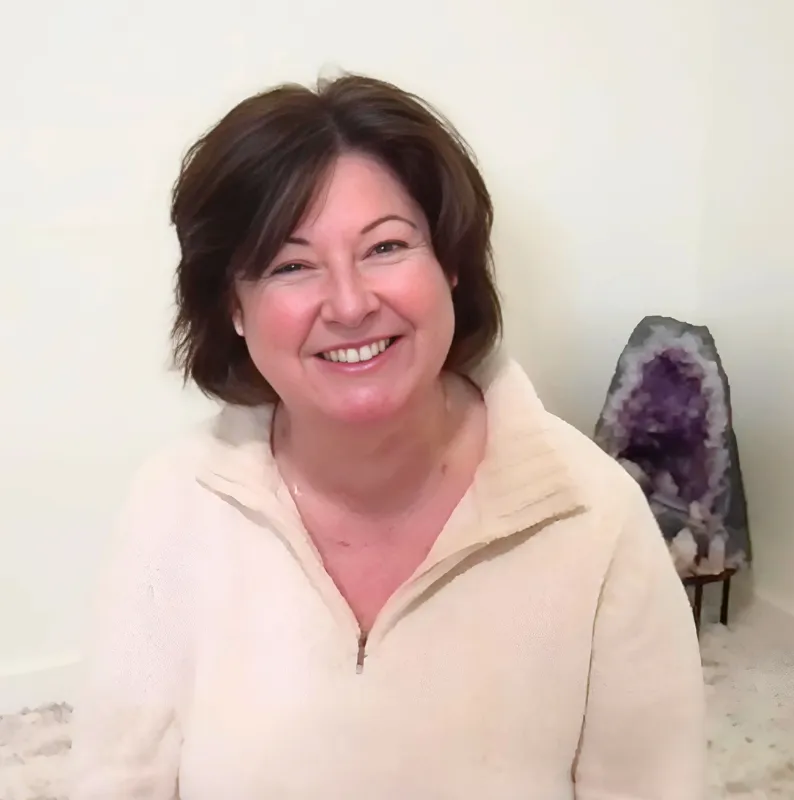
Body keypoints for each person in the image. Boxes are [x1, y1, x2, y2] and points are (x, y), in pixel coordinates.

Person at [69, 74, 705, 799]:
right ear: (234, 311)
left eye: (385, 247)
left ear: (452, 265)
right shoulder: (172, 505)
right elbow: (117, 779)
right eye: (292, 265)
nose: (348, 304)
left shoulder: (596, 518)